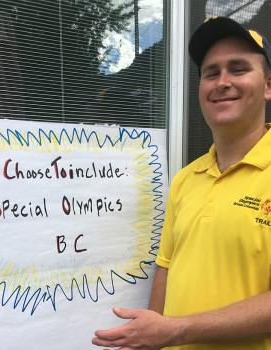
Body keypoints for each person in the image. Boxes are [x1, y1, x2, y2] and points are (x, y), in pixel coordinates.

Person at [93, 17, 271, 350]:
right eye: (211, 72)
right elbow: (166, 267)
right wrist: (151, 338)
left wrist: (178, 330)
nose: (222, 82)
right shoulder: (186, 179)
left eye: (238, 69)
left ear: (268, 85)